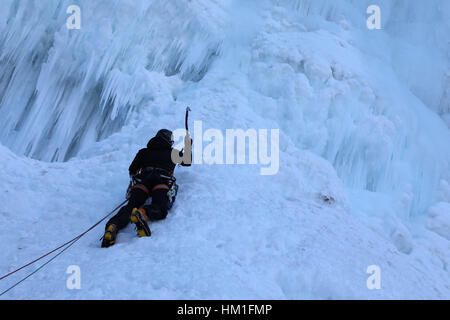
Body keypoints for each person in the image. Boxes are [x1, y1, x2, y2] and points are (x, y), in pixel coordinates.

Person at [101, 129, 191, 248]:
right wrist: (188, 145)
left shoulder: (143, 152)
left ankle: (113, 226)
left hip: (142, 181)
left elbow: (132, 170)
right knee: (160, 207)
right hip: (161, 181)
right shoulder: (172, 152)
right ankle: (142, 213)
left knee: (130, 206)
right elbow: (187, 161)